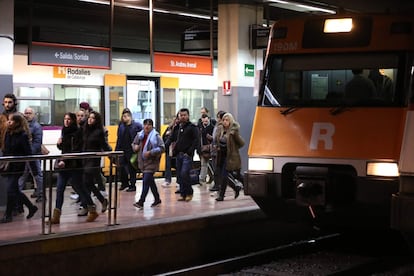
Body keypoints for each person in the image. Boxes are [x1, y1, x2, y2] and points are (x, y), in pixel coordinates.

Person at [51, 112, 99, 223]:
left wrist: (64, 160)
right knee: (60, 189)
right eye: (65, 119)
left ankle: (92, 209)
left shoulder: (78, 132)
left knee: (79, 188)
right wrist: (59, 144)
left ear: (72, 120)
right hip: (64, 165)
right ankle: (56, 216)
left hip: (74, 165)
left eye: (68, 119)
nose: (66, 121)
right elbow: (64, 148)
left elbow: (76, 150)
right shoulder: (64, 131)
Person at [1, 113, 38, 223]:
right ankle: (31, 207)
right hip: (9, 165)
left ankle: (8, 215)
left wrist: (34, 170)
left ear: (17, 123)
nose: (8, 122)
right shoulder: (8, 133)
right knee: (15, 190)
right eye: (8, 120)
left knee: (10, 189)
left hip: (17, 166)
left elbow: (28, 153)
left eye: (11, 120)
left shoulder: (23, 136)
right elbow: (5, 149)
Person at [132, 119, 165, 209]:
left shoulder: (156, 136)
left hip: (152, 162)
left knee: (146, 180)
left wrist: (151, 152)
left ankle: (141, 201)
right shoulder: (140, 135)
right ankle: (157, 199)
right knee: (150, 182)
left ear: (152, 126)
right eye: (145, 124)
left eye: (149, 125)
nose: (147, 126)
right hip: (142, 162)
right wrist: (135, 147)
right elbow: (134, 144)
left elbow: (162, 148)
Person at [82, 110, 110, 214]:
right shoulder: (85, 130)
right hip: (85, 159)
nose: (90, 119)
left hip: (93, 160)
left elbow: (104, 145)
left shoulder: (99, 132)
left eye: (93, 118)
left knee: (86, 182)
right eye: (89, 117)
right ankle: (102, 200)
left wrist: (112, 155)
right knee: (88, 183)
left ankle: (88, 205)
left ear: (96, 120)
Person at [169, 108, 199, 202]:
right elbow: (171, 138)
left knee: (184, 173)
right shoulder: (177, 127)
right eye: (181, 115)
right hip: (178, 155)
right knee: (180, 175)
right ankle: (183, 193)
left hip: (187, 155)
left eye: (184, 115)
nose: (183, 117)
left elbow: (196, 140)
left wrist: (190, 151)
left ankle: (189, 192)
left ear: (188, 116)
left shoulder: (192, 127)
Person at [213, 112, 244, 201]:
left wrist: (234, 146)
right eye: (224, 120)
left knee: (224, 176)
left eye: (227, 120)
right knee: (223, 175)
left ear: (230, 121)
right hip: (221, 156)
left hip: (230, 157)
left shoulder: (233, 131)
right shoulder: (220, 129)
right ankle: (236, 187)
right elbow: (217, 140)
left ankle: (221, 196)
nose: (225, 122)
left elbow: (241, 143)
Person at [18, 107, 44, 202]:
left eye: (29, 113)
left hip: (34, 156)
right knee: (23, 175)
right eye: (26, 113)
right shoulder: (24, 125)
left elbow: (37, 143)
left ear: (34, 115)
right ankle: (18, 193)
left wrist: (28, 153)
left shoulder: (37, 127)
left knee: (37, 175)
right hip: (26, 155)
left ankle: (41, 194)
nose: (27, 115)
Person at [115, 108, 143, 192]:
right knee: (121, 167)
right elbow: (119, 138)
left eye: (127, 116)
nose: (125, 118)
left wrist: (138, 147)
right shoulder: (121, 125)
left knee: (131, 168)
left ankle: (132, 185)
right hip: (122, 149)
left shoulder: (137, 125)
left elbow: (141, 136)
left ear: (130, 116)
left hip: (132, 150)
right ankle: (124, 183)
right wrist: (117, 149)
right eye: (124, 116)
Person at [209, 110, 226, 192]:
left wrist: (212, 139)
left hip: (217, 150)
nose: (217, 119)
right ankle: (218, 184)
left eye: (218, 117)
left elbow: (217, 138)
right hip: (214, 149)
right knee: (215, 168)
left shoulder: (221, 126)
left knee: (217, 169)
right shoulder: (217, 125)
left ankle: (218, 185)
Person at [161, 113, 179, 188]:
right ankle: (167, 180)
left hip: (177, 149)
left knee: (178, 165)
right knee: (168, 165)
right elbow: (163, 136)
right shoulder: (169, 127)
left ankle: (179, 181)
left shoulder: (181, 127)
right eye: (175, 118)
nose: (176, 120)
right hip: (169, 149)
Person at [198, 113, 214, 185]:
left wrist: (210, 137)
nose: (205, 123)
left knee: (205, 164)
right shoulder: (199, 127)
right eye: (204, 121)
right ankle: (211, 176)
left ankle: (202, 179)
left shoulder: (212, 127)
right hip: (201, 148)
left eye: (206, 121)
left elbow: (214, 138)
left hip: (209, 148)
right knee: (205, 163)